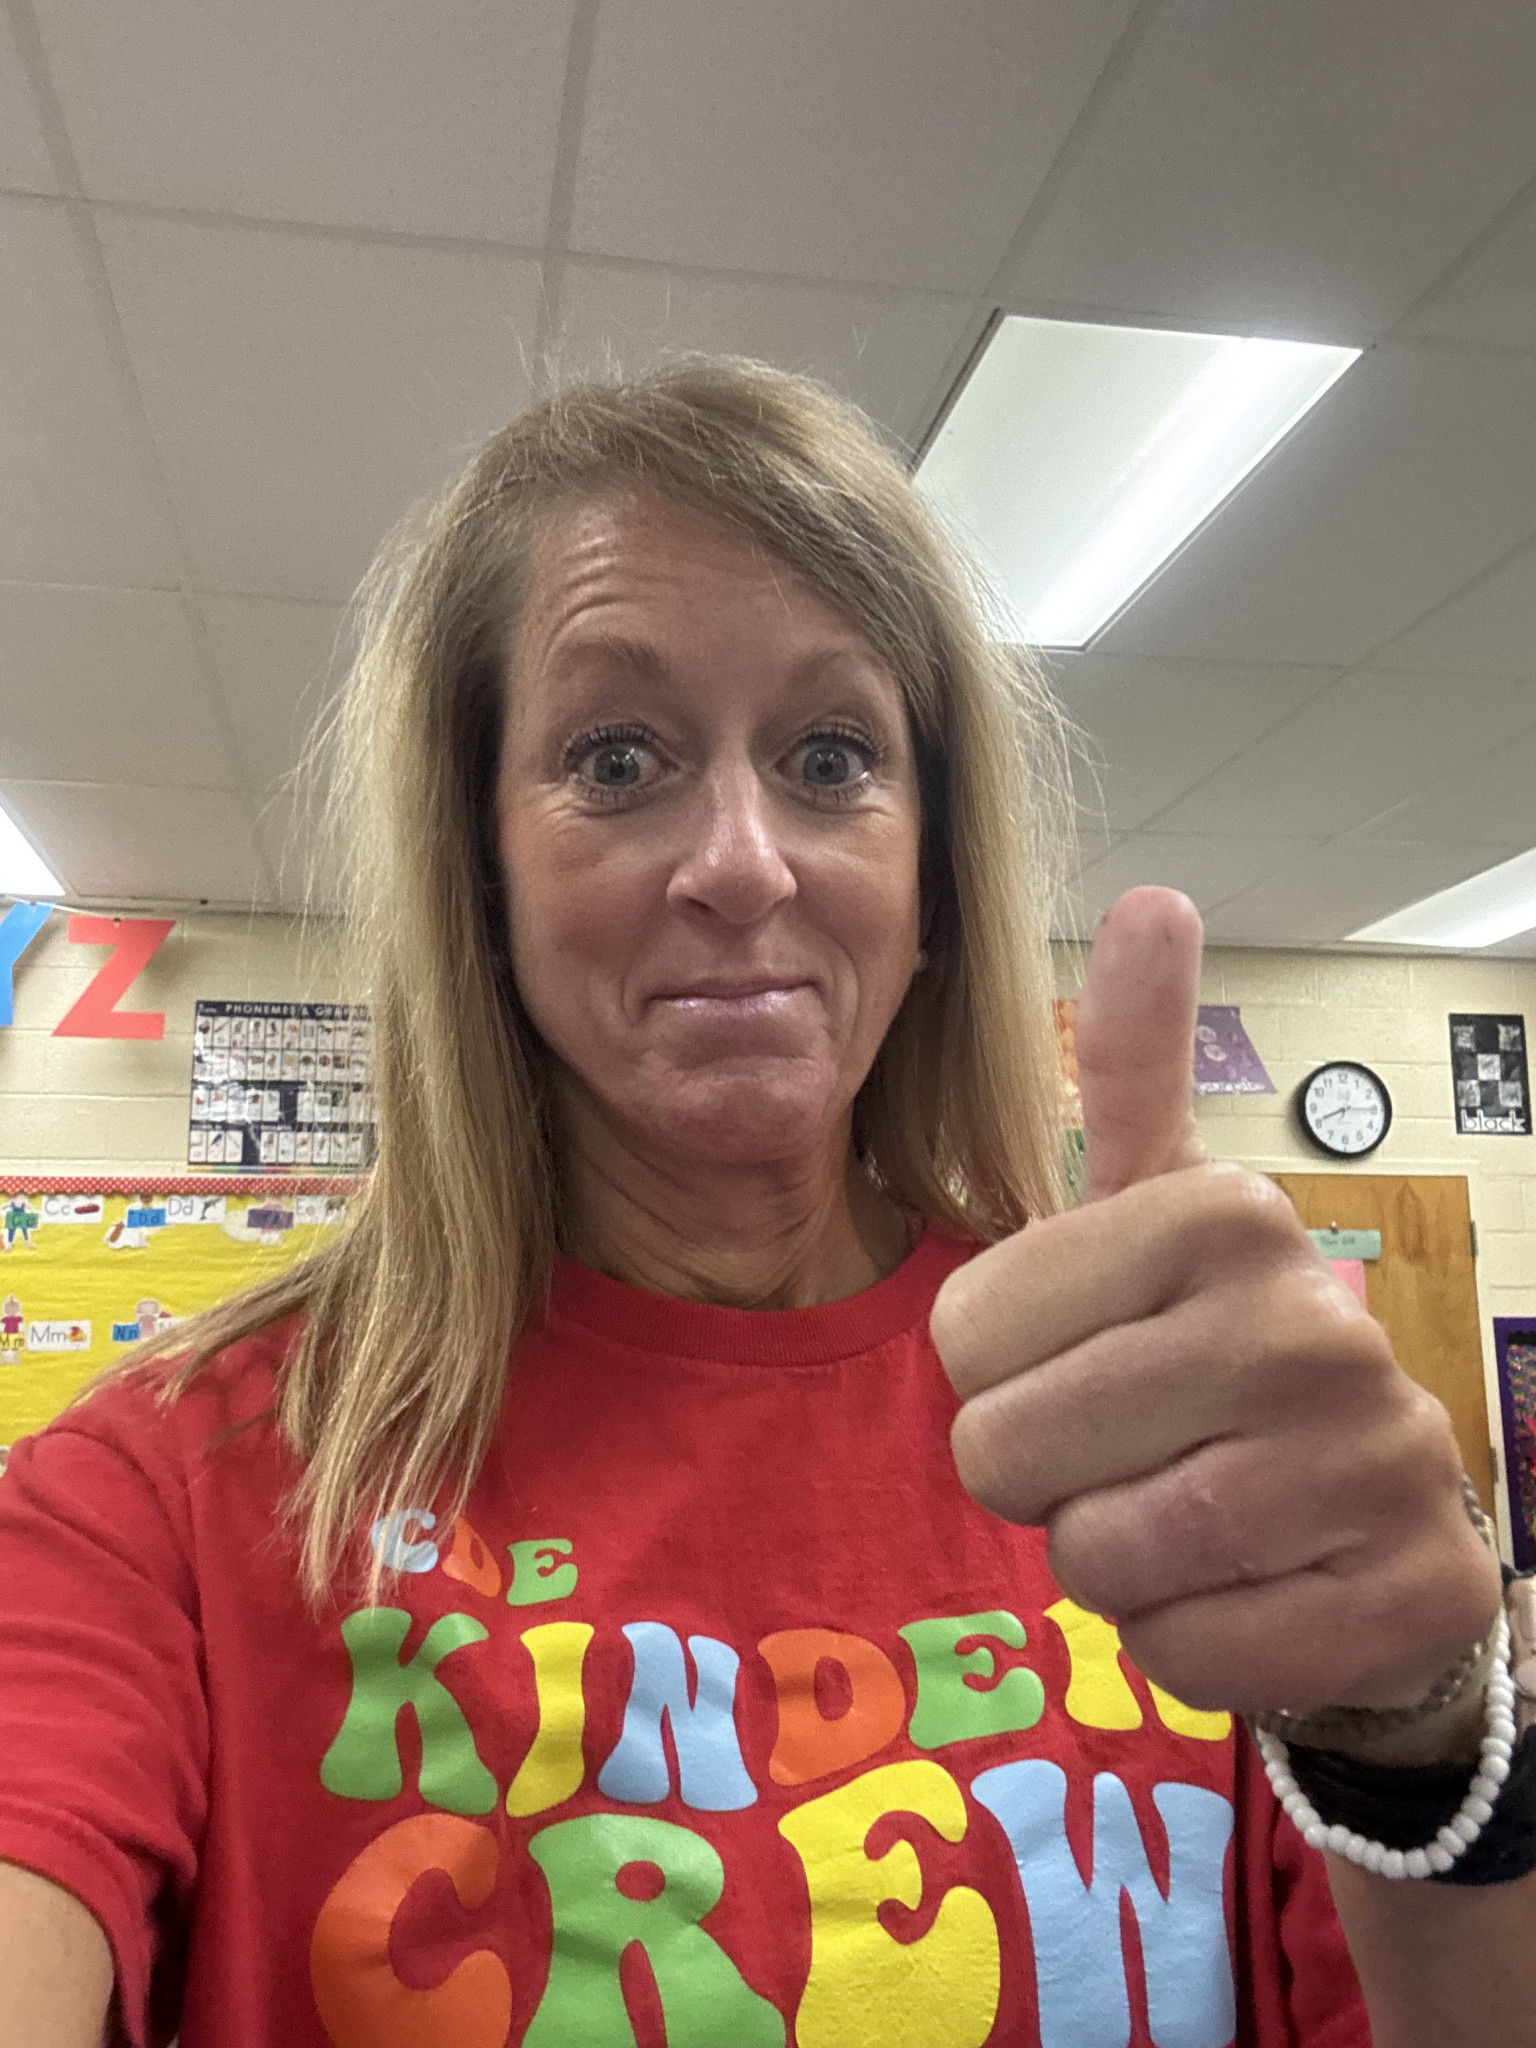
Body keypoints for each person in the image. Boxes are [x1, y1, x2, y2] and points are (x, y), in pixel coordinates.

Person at [0, 359, 1528, 2048]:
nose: (743, 860)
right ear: (480, 872)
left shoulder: (1164, 1442)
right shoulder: (165, 1498)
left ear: (930, 876)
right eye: (616, 757)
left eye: (829, 754)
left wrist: (1417, 1728)